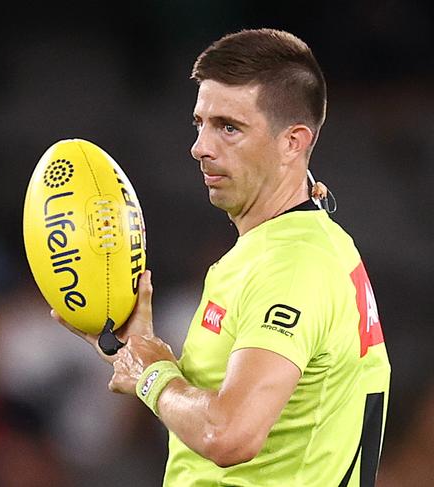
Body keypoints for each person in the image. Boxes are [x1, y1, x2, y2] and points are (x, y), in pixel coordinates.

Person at [52, 28, 391, 486]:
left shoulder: (291, 265)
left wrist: (153, 376)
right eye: (200, 123)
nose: (201, 148)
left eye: (229, 127)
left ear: (293, 141)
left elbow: (229, 434)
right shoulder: (293, 246)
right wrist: (141, 356)